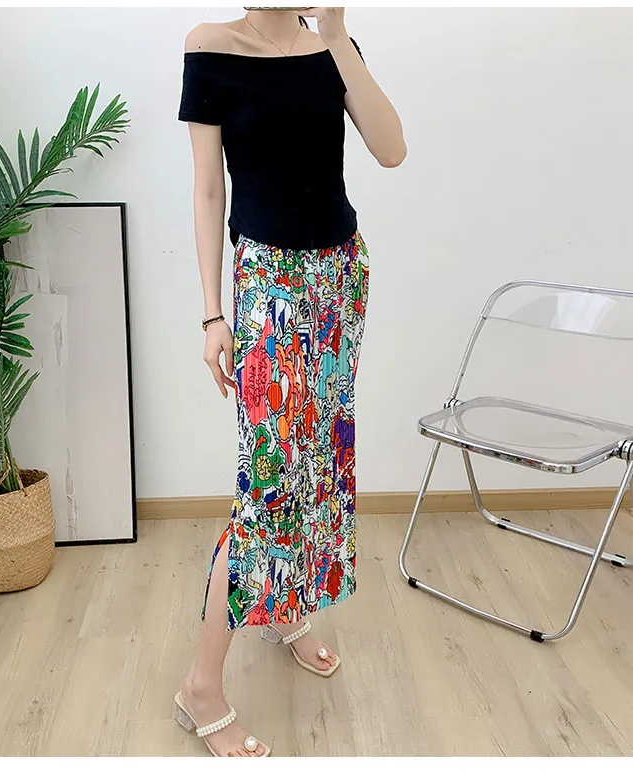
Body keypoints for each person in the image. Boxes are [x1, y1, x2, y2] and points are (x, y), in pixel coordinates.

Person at [174, 7, 406, 757]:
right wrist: (213, 314)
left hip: (340, 276)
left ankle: (287, 607)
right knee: (268, 483)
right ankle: (201, 686)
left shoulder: (332, 46)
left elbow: (392, 150)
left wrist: (336, 36)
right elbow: (208, 191)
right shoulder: (210, 47)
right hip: (268, 284)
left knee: (318, 464)